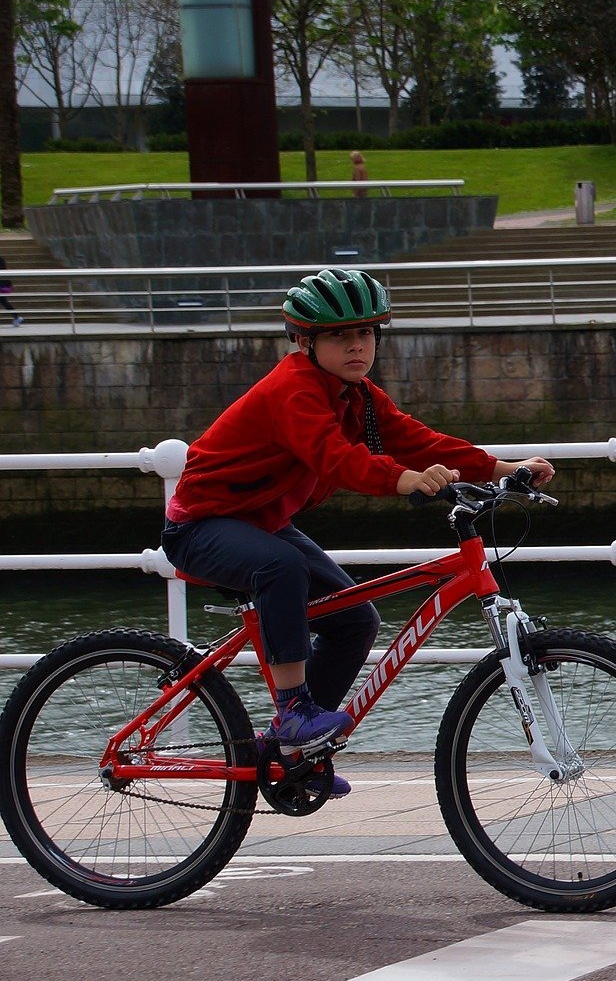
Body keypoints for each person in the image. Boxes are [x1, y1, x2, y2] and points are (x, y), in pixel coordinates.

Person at [162, 267, 554, 797]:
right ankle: (294, 711)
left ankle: (291, 752)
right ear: (306, 342)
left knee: (354, 620)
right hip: (201, 527)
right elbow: (334, 456)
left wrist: (502, 468)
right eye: (340, 336)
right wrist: (402, 480)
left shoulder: (358, 396)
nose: (356, 346)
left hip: (263, 522)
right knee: (281, 566)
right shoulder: (293, 391)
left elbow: (417, 439)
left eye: (366, 333)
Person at [0, 254, 16, 325]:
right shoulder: (1, 259)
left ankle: (16, 316)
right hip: (2, 282)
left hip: (1, 282)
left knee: (3, 300)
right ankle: (16, 316)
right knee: (3, 301)